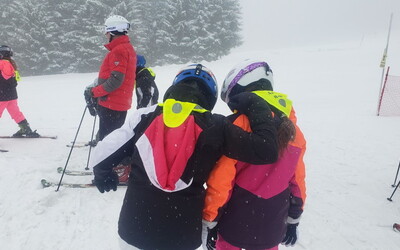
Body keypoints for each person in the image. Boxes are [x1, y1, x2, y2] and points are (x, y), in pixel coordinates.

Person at [89, 63, 279, 250]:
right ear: (209, 97)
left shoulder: (144, 116)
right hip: (183, 236)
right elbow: (266, 150)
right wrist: (256, 104)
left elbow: (103, 153)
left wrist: (102, 175)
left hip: (134, 230)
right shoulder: (218, 126)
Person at [202, 59, 307, 250]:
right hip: (273, 224)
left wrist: (210, 219)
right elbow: (297, 181)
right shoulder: (295, 132)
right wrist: (294, 218)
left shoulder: (236, 124)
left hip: (235, 221)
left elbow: (221, 181)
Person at [84, 15, 136, 141]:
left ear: (113, 31)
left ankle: (107, 160)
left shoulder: (118, 51)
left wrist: (95, 92)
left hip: (111, 104)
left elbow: (116, 80)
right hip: (119, 102)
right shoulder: (127, 48)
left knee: (107, 142)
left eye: (106, 31)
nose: (105, 34)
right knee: (113, 139)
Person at [0, 45, 39, 138]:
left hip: (2, 96)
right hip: (12, 95)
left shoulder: (1, 63)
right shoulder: (12, 64)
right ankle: (25, 129)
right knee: (16, 113)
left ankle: (25, 129)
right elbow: (14, 81)